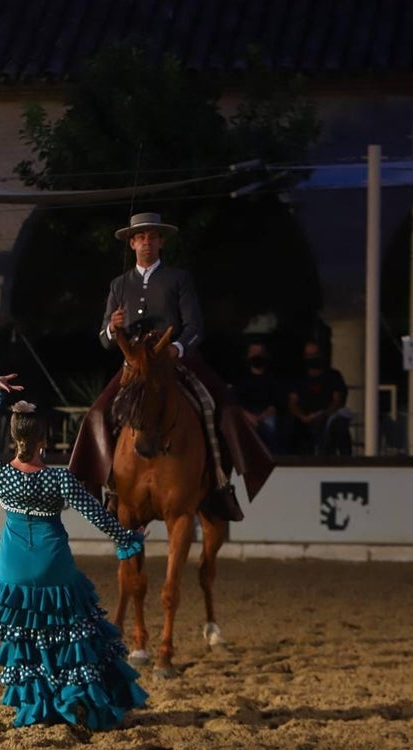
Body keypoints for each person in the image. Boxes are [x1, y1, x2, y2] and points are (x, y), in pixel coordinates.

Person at [0, 372, 147, 730]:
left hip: (13, 569)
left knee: (27, 640)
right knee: (74, 635)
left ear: (15, 437)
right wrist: (127, 536)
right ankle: (75, 699)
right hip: (53, 565)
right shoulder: (59, 479)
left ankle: (38, 709)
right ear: (44, 438)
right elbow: (96, 514)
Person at [69, 212, 274, 520]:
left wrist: (178, 348)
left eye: (152, 237)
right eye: (140, 237)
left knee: (218, 406)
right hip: (135, 362)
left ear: (161, 241)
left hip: (176, 358)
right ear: (132, 243)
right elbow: (103, 339)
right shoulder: (118, 284)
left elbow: (194, 326)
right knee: (98, 412)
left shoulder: (179, 278)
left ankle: (220, 482)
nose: (146, 242)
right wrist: (113, 327)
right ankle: (108, 491)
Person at [288, 340, 352, 456]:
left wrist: (323, 414)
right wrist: (303, 417)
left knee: (338, 425)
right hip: (304, 419)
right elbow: (292, 403)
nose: (313, 358)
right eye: (309, 355)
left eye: (315, 354)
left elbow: (337, 401)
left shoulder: (334, 375)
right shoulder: (298, 378)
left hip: (327, 416)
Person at [234, 341, 286, 453]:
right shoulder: (240, 378)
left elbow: (275, 404)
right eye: (253, 352)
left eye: (259, 353)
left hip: (267, 415)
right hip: (246, 415)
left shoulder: (274, 378)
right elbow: (236, 402)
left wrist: (261, 418)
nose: (256, 356)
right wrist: (249, 417)